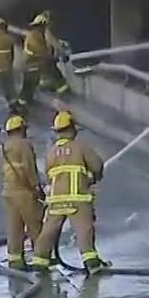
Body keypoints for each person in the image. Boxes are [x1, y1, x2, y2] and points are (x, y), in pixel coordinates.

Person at [34, 109, 109, 273]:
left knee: (49, 231)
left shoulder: (51, 152)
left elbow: (48, 174)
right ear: (72, 128)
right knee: (84, 231)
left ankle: (40, 261)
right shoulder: (80, 147)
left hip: (56, 200)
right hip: (78, 199)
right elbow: (97, 165)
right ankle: (92, 264)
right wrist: (93, 177)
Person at [0, 113, 44, 270]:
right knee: (34, 225)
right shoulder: (24, 145)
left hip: (8, 192)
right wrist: (37, 187)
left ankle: (15, 260)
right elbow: (29, 167)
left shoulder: (4, 147)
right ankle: (41, 259)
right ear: (20, 129)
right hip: (24, 191)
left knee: (14, 227)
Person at [19, 11, 68, 105]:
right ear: (41, 25)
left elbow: (51, 43)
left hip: (36, 64)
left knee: (53, 73)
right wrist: (53, 56)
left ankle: (62, 90)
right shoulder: (33, 37)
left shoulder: (39, 35)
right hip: (31, 65)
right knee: (27, 88)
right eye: (45, 25)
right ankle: (20, 106)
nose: (46, 27)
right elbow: (42, 51)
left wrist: (60, 48)